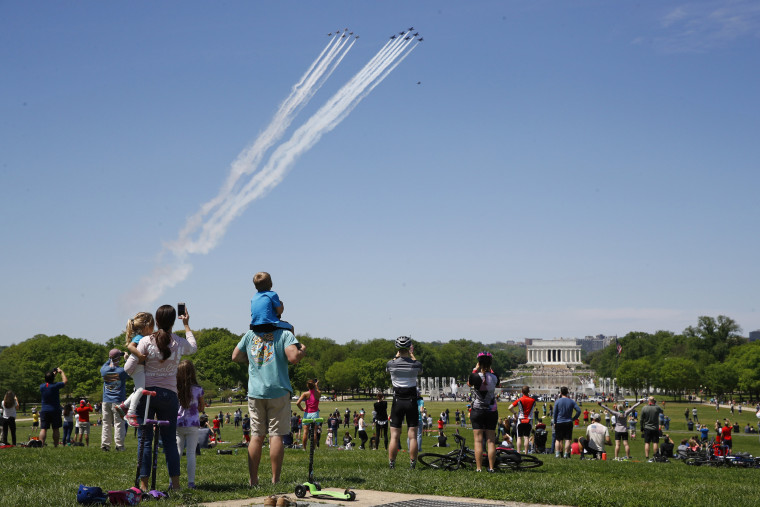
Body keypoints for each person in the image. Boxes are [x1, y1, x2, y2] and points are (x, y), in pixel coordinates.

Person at [125, 304, 197, 491]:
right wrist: (187, 325)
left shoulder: (146, 341)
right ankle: (176, 484)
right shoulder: (178, 342)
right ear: (173, 321)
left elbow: (128, 368)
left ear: (156, 322)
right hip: (169, 395)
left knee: (146, 441)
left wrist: (142, 360)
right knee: (170, 442)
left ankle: (143, 484)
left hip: (147, 394)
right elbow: (193, 348)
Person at [232, 319, 305, 486]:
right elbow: (294, 357)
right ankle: (275, 480)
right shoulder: (284, 334)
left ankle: (253, 480)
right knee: (276, 435)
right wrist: (302, 350)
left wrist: (250, 359)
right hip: (278, 389)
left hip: (256, 391)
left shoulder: (250, 335)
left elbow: (235, 356)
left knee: (256, 436)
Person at [386, 336, 423, 470]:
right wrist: (411, 354)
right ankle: (412, 464)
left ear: (397, 348)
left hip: (397, 401)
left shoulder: (391, 364)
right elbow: (418, 367)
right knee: (412, 435)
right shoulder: (416, 364)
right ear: (409, 348)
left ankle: (392, 463)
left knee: (394, 436)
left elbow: (394, 360)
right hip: (412, 401)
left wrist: (398, 355)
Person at [116, 312, 155, 426]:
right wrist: (140, 355)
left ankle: (124, 406)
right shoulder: (140, 337)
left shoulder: (142, 337)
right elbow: (130, 346)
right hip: (137, 365)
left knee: (137, 389)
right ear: (147, 327)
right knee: (141, 389)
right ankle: (130, 413)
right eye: (153, 327)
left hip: (134, 366)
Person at [468, 351, 499, 473]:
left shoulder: (474, 376)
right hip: (491, 410)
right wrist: (489, 369)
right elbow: (495, 380)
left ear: (479, 363)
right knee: (491, 440)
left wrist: (475, 369)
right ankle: (491, 467)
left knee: (478, 440)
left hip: (477, 410)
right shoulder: (495, 376)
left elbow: (469, 383)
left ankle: (479, 468)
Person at [176, 360, 205, 489]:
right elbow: (201, 408)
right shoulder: (198, 390)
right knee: (191, 454)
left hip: (178, 424)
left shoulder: (175, 389)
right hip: (192, 424)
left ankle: (173, 482)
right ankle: (191, 482)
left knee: (177, 452)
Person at [100, 349, 128, 452]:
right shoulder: (121, 371)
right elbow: (130, 368)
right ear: (119, 358)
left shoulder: (104, 370)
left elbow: (106, 364)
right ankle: (119, 445)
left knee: (106, 423)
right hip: (118, 401)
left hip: (106, 400)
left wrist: (110, 358)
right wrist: (126, 359)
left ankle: (105, 445)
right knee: (119, 423)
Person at [39, 368, 68, 447]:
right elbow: (65, 381)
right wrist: (61, 372)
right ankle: (55, 445)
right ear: (53, 378)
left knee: (43, 429)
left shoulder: (42, 387)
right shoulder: (56, 386)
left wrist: (52, 375)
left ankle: (41, 444)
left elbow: (48, 382)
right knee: (55, 429)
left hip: (44, 410)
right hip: (55, 410)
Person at [553, 386, 581, 458]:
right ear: (567, 393)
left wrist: (555, 422)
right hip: (568, 421)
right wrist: (574, 418)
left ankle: (557, 453)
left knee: (558, 439)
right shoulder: (571, 401)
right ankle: (566, 454)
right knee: (568, 439)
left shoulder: (557, 401)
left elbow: (555, 413)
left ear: (561, 393)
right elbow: (579, 410)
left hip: (559, 422)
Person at [509, 385, 536, 453]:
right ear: (529, 392)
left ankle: (518, 452)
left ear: (521, 392)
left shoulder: (519, 400)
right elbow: (534, 405)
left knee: (519, 437)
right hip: (529, 420)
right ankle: (526, 453)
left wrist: (515, 413)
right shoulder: (533, 400)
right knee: (526, 437)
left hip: (521, 419)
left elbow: (510, 407)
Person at [296, 379, 321, 449]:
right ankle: (314, 448)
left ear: (307, 386)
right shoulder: (317, 393)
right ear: (314, 385)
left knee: (305, 432)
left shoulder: (305, 394)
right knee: (315, 432)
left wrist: (302, 409)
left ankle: (304, 448)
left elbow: (297, 403)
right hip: (315, 413)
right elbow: (319, 392)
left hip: (307, 413)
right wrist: (317, 386)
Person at [640, 396, 664, 462]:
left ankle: (647, 456)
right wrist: (655, 403)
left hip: (647, 427)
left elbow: (641, 419)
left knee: (647, 442)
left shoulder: (644, 408)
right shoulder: (657, 407)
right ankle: (655, 455)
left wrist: (641, 427)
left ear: (648, 401)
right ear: (654, 401)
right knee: (655, 442)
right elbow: (662, 411)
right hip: (655, 428)